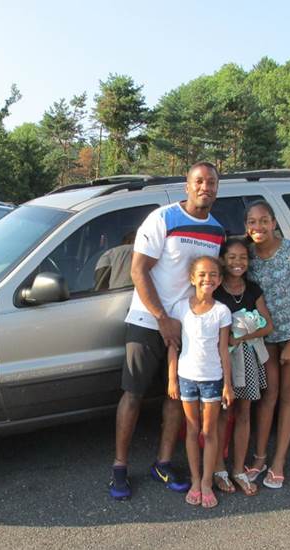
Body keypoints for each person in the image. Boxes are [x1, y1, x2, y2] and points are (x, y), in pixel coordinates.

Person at [110, 162, 225, 500]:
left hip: (187, 326)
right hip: (148, 319)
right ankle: (119, 467)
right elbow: (138, 270)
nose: (205, 187)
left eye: (212, 182)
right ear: (187, 186)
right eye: (199, 181)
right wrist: (162, 317)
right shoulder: (163, 219)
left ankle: (163, 462)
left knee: (176, 395)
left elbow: (207, 281)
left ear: (218, 188)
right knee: (133, 394)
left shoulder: (217, 231)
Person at [243, 200, 290, 490]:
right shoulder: (248, 256)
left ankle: (279, 461)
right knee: (267, 395)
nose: (258, 227)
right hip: (265, 336)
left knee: (286, 394)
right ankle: (259, 458)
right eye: (252, 222)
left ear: (273, 223)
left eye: (263, 220)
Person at [167, 256, 233, 508]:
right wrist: (172, 378)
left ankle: (207, 481)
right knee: (192, 430)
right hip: (186, 377)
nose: (208, 279)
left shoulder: (222, 311)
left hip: (212, 378)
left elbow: (224, 350)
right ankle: (195, 480)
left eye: (213, 274)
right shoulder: (181, 307)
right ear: (192, 278)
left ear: (220, 280)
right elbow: (173, 345)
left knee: (210, 431)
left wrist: (227, 384)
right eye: (202, 274)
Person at [212, 238, 274, 496]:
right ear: (223, 260)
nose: (237, 263)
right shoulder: (216, 291)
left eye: (243, 258)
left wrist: (242, 337)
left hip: (246, 357)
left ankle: (238, 469)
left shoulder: (253, 289)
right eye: (232, 257)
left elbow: (268, 326)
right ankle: (218, 469)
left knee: (244, 412)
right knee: (222, 413)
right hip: (223, 359)